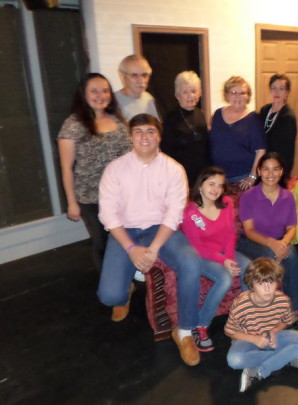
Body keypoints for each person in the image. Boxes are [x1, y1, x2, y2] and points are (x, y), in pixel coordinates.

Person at [97, 113, 203, 367]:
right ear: (131, 137)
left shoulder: (174, 169)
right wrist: (132, 249)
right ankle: (125, 292)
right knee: (109, 296)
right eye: (139, 132)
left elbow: (174, 213)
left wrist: (153, 248)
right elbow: (108, 215)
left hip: (161, 230)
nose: (144, 136)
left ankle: (185, 331)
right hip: (126, 230)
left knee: (191, 262)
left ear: (159, 136)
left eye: (150, 131)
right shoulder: (115, 169)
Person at [57, 73, 131, 272]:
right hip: (92, 197)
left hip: (122, 194)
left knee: (124, 238)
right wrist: (72, 202)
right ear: (84, 94)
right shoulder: (73, 125)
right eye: (94, 91)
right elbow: (66, 168)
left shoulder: (118, 120)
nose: (101, 95)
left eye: (105, 90)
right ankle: (110, 284)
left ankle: (125, 276)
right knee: (103, 242)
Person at [181, 166, 251, 352]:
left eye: (220, 185)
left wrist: (229, 258)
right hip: (203, 256)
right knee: (225, 279)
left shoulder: (226, 202)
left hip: (225, 252)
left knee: (249, 268)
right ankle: (201, 326)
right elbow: (198, 247)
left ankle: (245, 319)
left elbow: (230, 234)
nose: (216, 189)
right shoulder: (190, 212)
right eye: (211, 184)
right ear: (201, 185)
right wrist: (223, 262)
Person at [225, 258, 298, 393]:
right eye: (261, 283)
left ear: (277, 282)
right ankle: (285, 358)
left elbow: (286, 321)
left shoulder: (283, 300)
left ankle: (259, 370)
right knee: (234, 360)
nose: (267, 289)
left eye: (271, 282)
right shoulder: (241, 303)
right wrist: (254, 339)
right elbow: (229, 331)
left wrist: (274, 330)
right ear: (251, 285)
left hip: (274, 337)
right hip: (248, 338)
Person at [237, 152, 298, 311]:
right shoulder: (248, 196)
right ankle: (271, 309)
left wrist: (283, 244)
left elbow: (292, 228)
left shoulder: (288, 196)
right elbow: (249, 230)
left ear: (281, 171)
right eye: (266, 169)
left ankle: (293, 309)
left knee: (291, 255)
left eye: (275, 169)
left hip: (279, 240)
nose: (270, 174)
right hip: (251, 242)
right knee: (270, 253)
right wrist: (273, 244)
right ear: (258, 171)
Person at [210, 76, 266, 190]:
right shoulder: (217, 114)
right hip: (218, 177)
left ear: (248, 96)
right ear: (227, 94)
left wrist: (253, 175)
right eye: (234, 92)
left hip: (242, 178)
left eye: (242, 93)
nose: (238, 96)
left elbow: (261, 150)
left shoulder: (254, 119)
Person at [161, 71, 210, 187]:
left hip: (201, 174)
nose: (190, 96)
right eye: (185, 92)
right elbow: (166, 151)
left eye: (194, 91)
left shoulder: (201, 114)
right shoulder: (170, 118)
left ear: (199, 93)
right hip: (181, 175)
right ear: (177, 95)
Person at [259, 74, 297, 178]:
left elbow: (288, 149)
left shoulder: (288, 116)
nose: (276, 92)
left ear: (287, 92)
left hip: (278, 166)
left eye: (281, 88)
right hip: (263, 163)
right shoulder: (264, 110)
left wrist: (284, 172)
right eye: (273, 88)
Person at [115, 55, 160, 121]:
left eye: (145, 75)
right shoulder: (114, 102)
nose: (141, 81)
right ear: (122, 76)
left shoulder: (149, 99)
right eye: (134, 75)